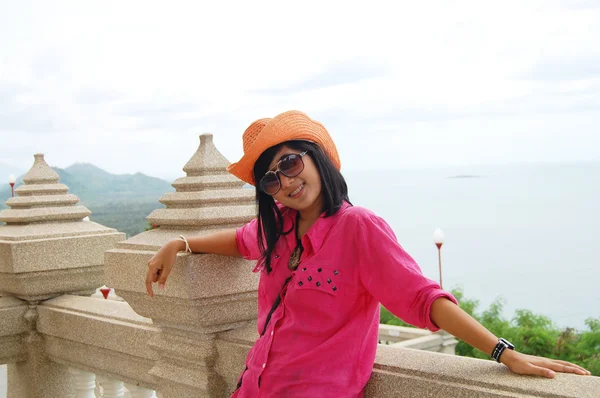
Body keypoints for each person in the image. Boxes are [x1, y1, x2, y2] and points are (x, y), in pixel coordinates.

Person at [145, 110, 590, 397]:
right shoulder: (277, 226)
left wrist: (503, 352)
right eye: (271, 178)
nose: (285, 181)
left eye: (290, 162)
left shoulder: (358, 228)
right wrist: (179, 242)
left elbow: (423, 299)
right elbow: (240, 240)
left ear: (316, 157)